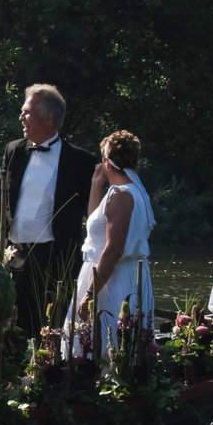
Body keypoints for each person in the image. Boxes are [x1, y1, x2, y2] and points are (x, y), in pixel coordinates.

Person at [0, 83, 97, 334]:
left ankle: (47, 370)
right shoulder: (14, 151)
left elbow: (93, 212)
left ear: (48, 117)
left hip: (55, 257)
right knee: (12, 325)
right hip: (14, 254)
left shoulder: (81, 162)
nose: (21, 117)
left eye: (27, 112)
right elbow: (0, 192)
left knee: (50, 325)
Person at [66, 130, 155, 357]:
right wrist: (96, 185)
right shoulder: (127, 192)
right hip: (119, 274)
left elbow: (113, 249)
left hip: (113, 281)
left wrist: (90, 294)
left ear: (106, 161)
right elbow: (95, 224)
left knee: (107, 345)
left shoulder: (120, 195)